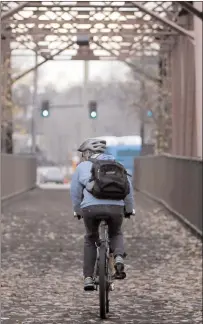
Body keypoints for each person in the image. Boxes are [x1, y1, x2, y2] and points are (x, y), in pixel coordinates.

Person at [70, 138, 135, 291]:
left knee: (91, 238)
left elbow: (75, 192)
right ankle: (118, 256)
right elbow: (128, 190)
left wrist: (78, 209)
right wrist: (129, 209)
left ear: (88, 153)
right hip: (116, 207)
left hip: (91, 209)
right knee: (116, 233)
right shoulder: (118, 165)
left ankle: (88, 278)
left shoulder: (83, 167)